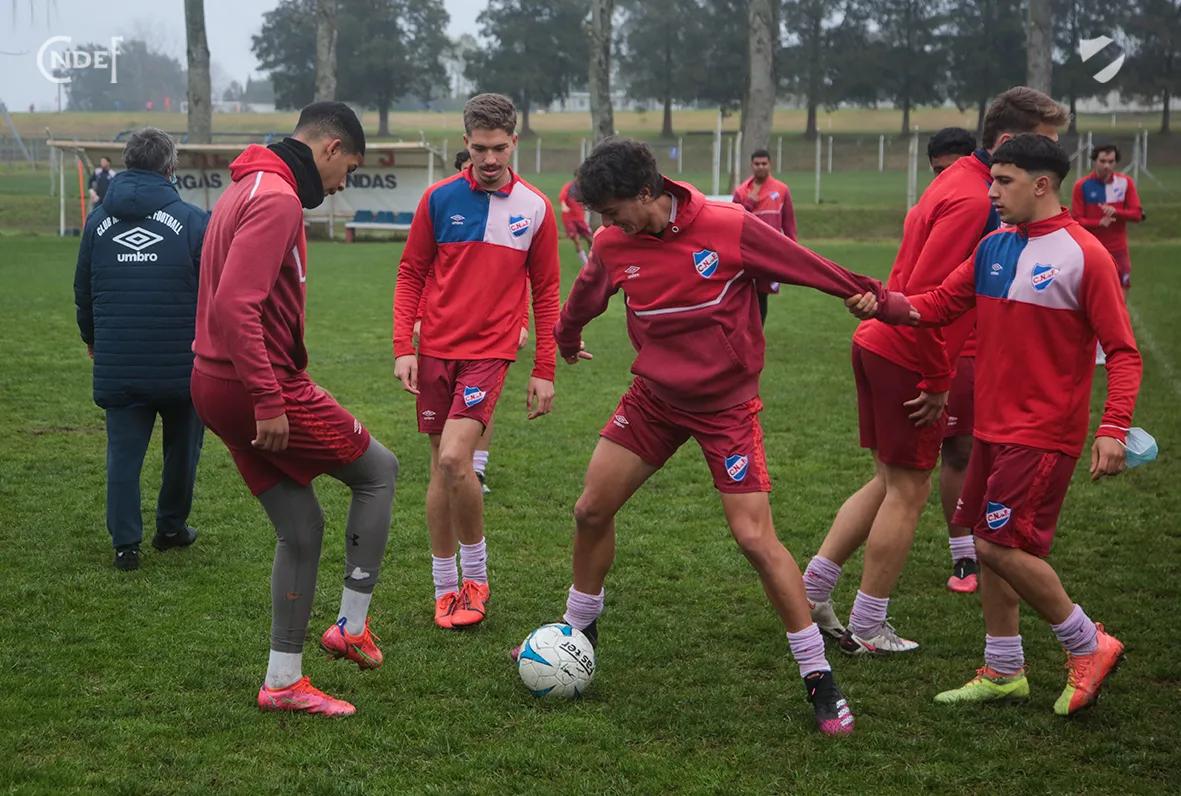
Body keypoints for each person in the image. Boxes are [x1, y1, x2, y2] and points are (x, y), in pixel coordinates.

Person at [524, 136, 916, 737]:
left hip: (726, 408)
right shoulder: (612, 242)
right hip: (654, 399)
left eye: (613, 210)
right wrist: (568, 340)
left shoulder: (727, 225)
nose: (607, 224)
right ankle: (579, 630)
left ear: (647, 193)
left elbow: (806, 264)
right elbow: (585, 297)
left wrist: (878, 299)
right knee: (590, 509)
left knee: (755, 540)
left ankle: (818, 676)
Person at [848, 133, 1141, 716]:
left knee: (995, 542)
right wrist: (885, 303)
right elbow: (937, 303)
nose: (992, 192)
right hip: (992, 427)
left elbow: (1123, 351)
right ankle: (1005, 670)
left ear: (1042, 184)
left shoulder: (1086, 256)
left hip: (1042, 432)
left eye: (1004, 181)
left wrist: (1113, 427)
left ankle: (1088, 642)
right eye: (992, 179)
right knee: (990, 547)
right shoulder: (995, 247)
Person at [803, 87, 1069, 654]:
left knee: (887, 482)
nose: (1054, 159)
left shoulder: (958, 181)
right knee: (908, 490)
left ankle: (813, 591)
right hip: (906, 351)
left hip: (882, 343)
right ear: (1008, 141)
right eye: (1045, 144)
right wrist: (937, 378)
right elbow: (926, 297)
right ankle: (868, 626)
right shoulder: (975, 198)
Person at [191, 101, 400, 717]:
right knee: (379, 471)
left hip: (211, 381)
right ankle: (351, 628)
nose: (341, 186)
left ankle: (282, 681)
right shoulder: (278, 196)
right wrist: (267, 397)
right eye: (348, 170)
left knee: (302, 527)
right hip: (255, 385)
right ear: (330, 148)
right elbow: (235, 304)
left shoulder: (246, 185)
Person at [392, 93, 561, 630]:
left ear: (515, 142)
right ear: (465, 143)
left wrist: (544, 369)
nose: (490, 159)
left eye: (500, 148)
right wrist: (403, 347)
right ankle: (445, 587)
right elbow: (410, 273)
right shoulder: (438, 199)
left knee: (453, 459)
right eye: (481, 149)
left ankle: (477, 578)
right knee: (439, 469)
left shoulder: (536, 207)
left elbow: (547, 293)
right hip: (435, 351)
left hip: (489, 352)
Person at [73, 128, 208, 571]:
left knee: (123, 457)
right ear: (170, 168)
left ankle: (125, 545)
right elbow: (213, 292)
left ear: (126, 165)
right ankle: (170, 528)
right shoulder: (193, 221)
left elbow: (84, 290)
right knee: (182, 452)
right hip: (183, 364)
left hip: (120, 361)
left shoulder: (97, 222)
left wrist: (91, 338)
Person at [412, 146, 530, 497]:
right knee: (442, 445)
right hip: (442, 333)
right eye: (470, 166)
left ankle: (477, 465)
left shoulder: (523, 207)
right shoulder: (443, 202)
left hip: (489, 336)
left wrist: (522, 320)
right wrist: (418, 317)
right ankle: (456, 474)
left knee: (476, 407)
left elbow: (521, 276)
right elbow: (423, 271)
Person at [926, 127, 981, 593]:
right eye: (935, 173)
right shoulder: (940, 208)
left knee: (1003, 448)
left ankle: (1001, 540)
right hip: (958, 344)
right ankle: (963, 553)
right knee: (958, 449)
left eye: (947, 170)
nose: (941, 180)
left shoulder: (996, 205)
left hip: (1006, 345)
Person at [1071, 144, 1145, 302]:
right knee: (1092, 296)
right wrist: (1098, 223)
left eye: (1111, 161)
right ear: (1094, 161)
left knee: (1121, 297)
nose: (1107, 166)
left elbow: (1137, 215)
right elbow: (1076, 220)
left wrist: (1117, 212)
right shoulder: (1082, 186)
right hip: (1093, 249)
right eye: (1103, 161)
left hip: (1119, 250)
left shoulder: (1125, 183)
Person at [732, 148, 797, 325]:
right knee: (744, 293)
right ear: (751, 165)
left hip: (770, 252)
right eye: (757, 164)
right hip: (746, 252)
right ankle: (744, 332)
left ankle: (757, 334)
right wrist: (749, 202)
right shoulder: (741, 191)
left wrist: (793, 250)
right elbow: (734, 220)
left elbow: (788, 223)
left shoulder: (781, 189)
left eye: (764, 163)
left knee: (762, 294)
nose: (761, 167)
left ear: (770, 165)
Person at [559, 178, 595, 264]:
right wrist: (564, 205)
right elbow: (562, 197)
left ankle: (594, 260)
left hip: (580, 219)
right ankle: (586, 263)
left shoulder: (584, 187)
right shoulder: (569, 186)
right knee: (577, 241)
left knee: (591, 239)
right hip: (569, 219)